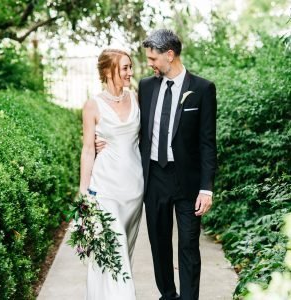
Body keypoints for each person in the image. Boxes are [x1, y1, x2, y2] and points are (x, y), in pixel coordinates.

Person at [138, 29, 217, 300]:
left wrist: (206, 188)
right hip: (155, 178)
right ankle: (168, 296)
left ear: (169, 55)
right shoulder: (146, 87)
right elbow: (133, 129)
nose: (150, 64)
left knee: (188, 246)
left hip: (187, 182)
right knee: (159, 244)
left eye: (153, 58)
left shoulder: (203, 89)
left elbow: (207, 142)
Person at [79, 49, 143, 300]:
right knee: (113, 252)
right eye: (125, 68)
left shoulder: (137, 98)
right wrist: (83, 192)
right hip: (105, 189)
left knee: (122, 254)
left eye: (130, 67)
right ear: (108, 72)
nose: (130, 72)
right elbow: (87, 149)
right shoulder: (92, 106)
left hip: (134, 190)